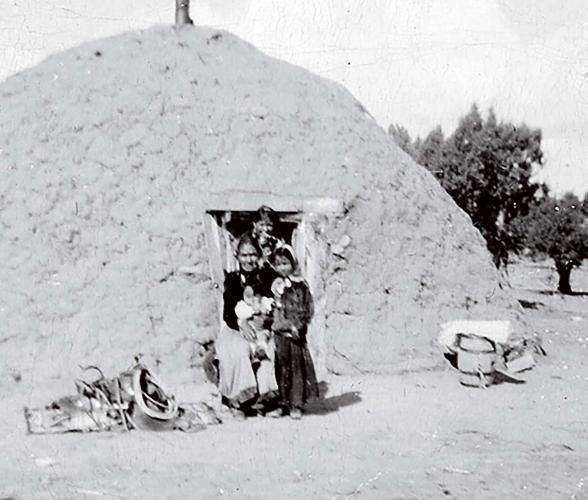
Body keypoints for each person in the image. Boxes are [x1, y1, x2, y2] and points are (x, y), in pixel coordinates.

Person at [215, 234, 278, 418]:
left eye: (252, 254)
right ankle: (239, 402)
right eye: (244, 255)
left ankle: (267, 401)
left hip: (263, 328)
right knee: (238, 350)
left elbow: (276, 302)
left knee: (270, 350)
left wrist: (266, 320)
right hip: (237, 328)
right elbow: (228, 313)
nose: (248, 259)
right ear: (237, 256)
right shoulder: (233, 280)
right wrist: (241, 323)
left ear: (259, 255)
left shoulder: (267, 276)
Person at [267, 245, 319, 419]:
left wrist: (298, 325)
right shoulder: (275, 285)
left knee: (297, 368)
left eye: (285, 263)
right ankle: (283, 402)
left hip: (294, 332)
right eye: (279, 264)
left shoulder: (300, 285)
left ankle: (296, 404)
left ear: (293, 263)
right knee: (282, 368)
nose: (282, 267)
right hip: (279, 332)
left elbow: (307, 308)